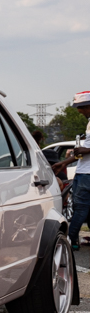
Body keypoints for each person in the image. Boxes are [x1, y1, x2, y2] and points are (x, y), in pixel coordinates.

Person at [64, 91, 90, 250]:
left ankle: (71, 239)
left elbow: (85, 150)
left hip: (86, 174)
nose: (79, 112)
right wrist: (65, 162)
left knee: (80, 209)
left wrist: (80, 150)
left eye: (80, 108)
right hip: (85, 171)